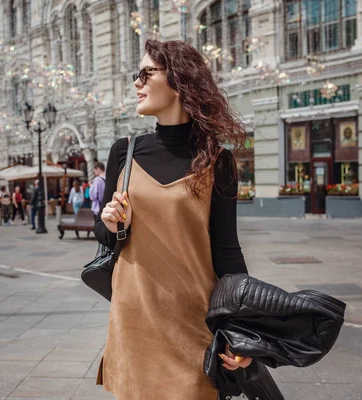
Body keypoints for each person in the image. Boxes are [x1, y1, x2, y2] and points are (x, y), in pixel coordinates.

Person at [93, 40, 251, 400]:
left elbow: (227, 253)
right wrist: (113, 222)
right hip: (134, 322)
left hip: (193, 323)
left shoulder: (217, 161)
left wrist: (243, 332)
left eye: (147, 73)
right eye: (138, 74)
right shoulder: (124, 151)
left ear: (180, 80)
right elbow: (104, 234)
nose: (137, 82)